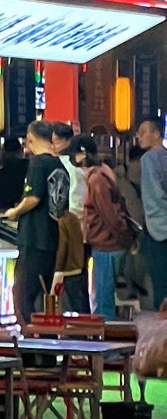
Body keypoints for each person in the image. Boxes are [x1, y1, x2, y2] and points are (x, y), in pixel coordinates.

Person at [2, 119, 63, 323]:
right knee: (43, 297)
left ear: (30, 139)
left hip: (35, 237)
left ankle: (30, 343)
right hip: (53, 238)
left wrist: (15, 211)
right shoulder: (58, 164)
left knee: (22, 296)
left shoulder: (38, 163)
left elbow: (33, 198)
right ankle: (45, 345)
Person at [78, 138, 137, 324]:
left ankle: (107, 347)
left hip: (106, 244)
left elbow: (109, 216)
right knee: (104, 297)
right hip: (111, 243)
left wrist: (122, 237)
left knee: (103, 301)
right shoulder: (104, 172)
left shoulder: (96, 180)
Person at [47, 120, 87, 311]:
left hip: (66, 228)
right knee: (78, 282)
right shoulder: (78, 165)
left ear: (63, 141)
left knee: (64, 279)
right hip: (80, 229)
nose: (52, 145)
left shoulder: (62, 165)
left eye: (53, 141)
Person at [136, 117, 167, 309]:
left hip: (159, 230)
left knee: (160, 284)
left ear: (156, 134)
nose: (138, 136)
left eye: (143, 131)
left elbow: (153, 197)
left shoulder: (148, 159)